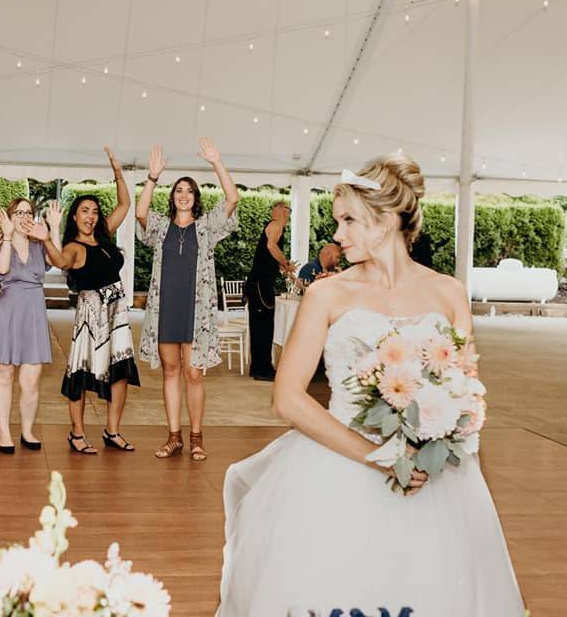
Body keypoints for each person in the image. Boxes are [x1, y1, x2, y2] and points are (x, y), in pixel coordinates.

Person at [216, 155, 523, 615]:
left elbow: (465, 385)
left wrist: (442, 430)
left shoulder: (449, 293)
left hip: (435, 478)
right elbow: (288, 397)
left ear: (385, 220)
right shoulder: (326, 294)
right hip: (337, 469)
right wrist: (380, 457)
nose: (338, 234)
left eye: (349, 220)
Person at [137, 139, 239, 461]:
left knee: (193, 373)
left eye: (189, 191)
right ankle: (174, 436)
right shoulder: (160, 227)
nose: (183, 195)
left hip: (195, 313)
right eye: (178, 190)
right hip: (166, 308)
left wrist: (217, 162)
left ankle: (196, 436)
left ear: (195, 199)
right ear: (173, 197)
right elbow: (140, 213)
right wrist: (152, 178)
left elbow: (232, 198)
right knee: (170, 371)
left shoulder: (207, 226)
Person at [36, 147, 139, 455]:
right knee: (81, 373)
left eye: (94, 211)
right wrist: (45, 237)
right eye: (85, 211)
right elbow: (59, 261)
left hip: (117, 312)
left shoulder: (105, 235)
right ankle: (77, 434)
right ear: (75, 216)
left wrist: (118, 173)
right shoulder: (74, 246)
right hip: (91, 315)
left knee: (119, 371)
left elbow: (125, 203)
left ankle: (112, 431)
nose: (91, 217)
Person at [0, 198, 52, 454]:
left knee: (31, 380)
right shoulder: (0, 243)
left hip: (33, 313)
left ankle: (27, 430)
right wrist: (8, 238)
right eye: (18, 212)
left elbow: (61, 260)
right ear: (9, 216)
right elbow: (1, 269)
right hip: (7, 312)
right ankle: (4, 433)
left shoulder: (40, 245)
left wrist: (54, 229)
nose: (24, 217)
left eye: (28, 212)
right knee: (4, 375)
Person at [244, 201, 294, 381]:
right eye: (287, 212)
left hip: (261, 284)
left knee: (263, 326)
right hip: (260, 285)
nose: (288, 216)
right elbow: (271, 247)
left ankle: (261, 367)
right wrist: (286, 263)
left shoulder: (277, 226)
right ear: (281, 211)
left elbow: (270, 256)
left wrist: (285, 268)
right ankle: (261, 369)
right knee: (262, 327)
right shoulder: (275, 225)